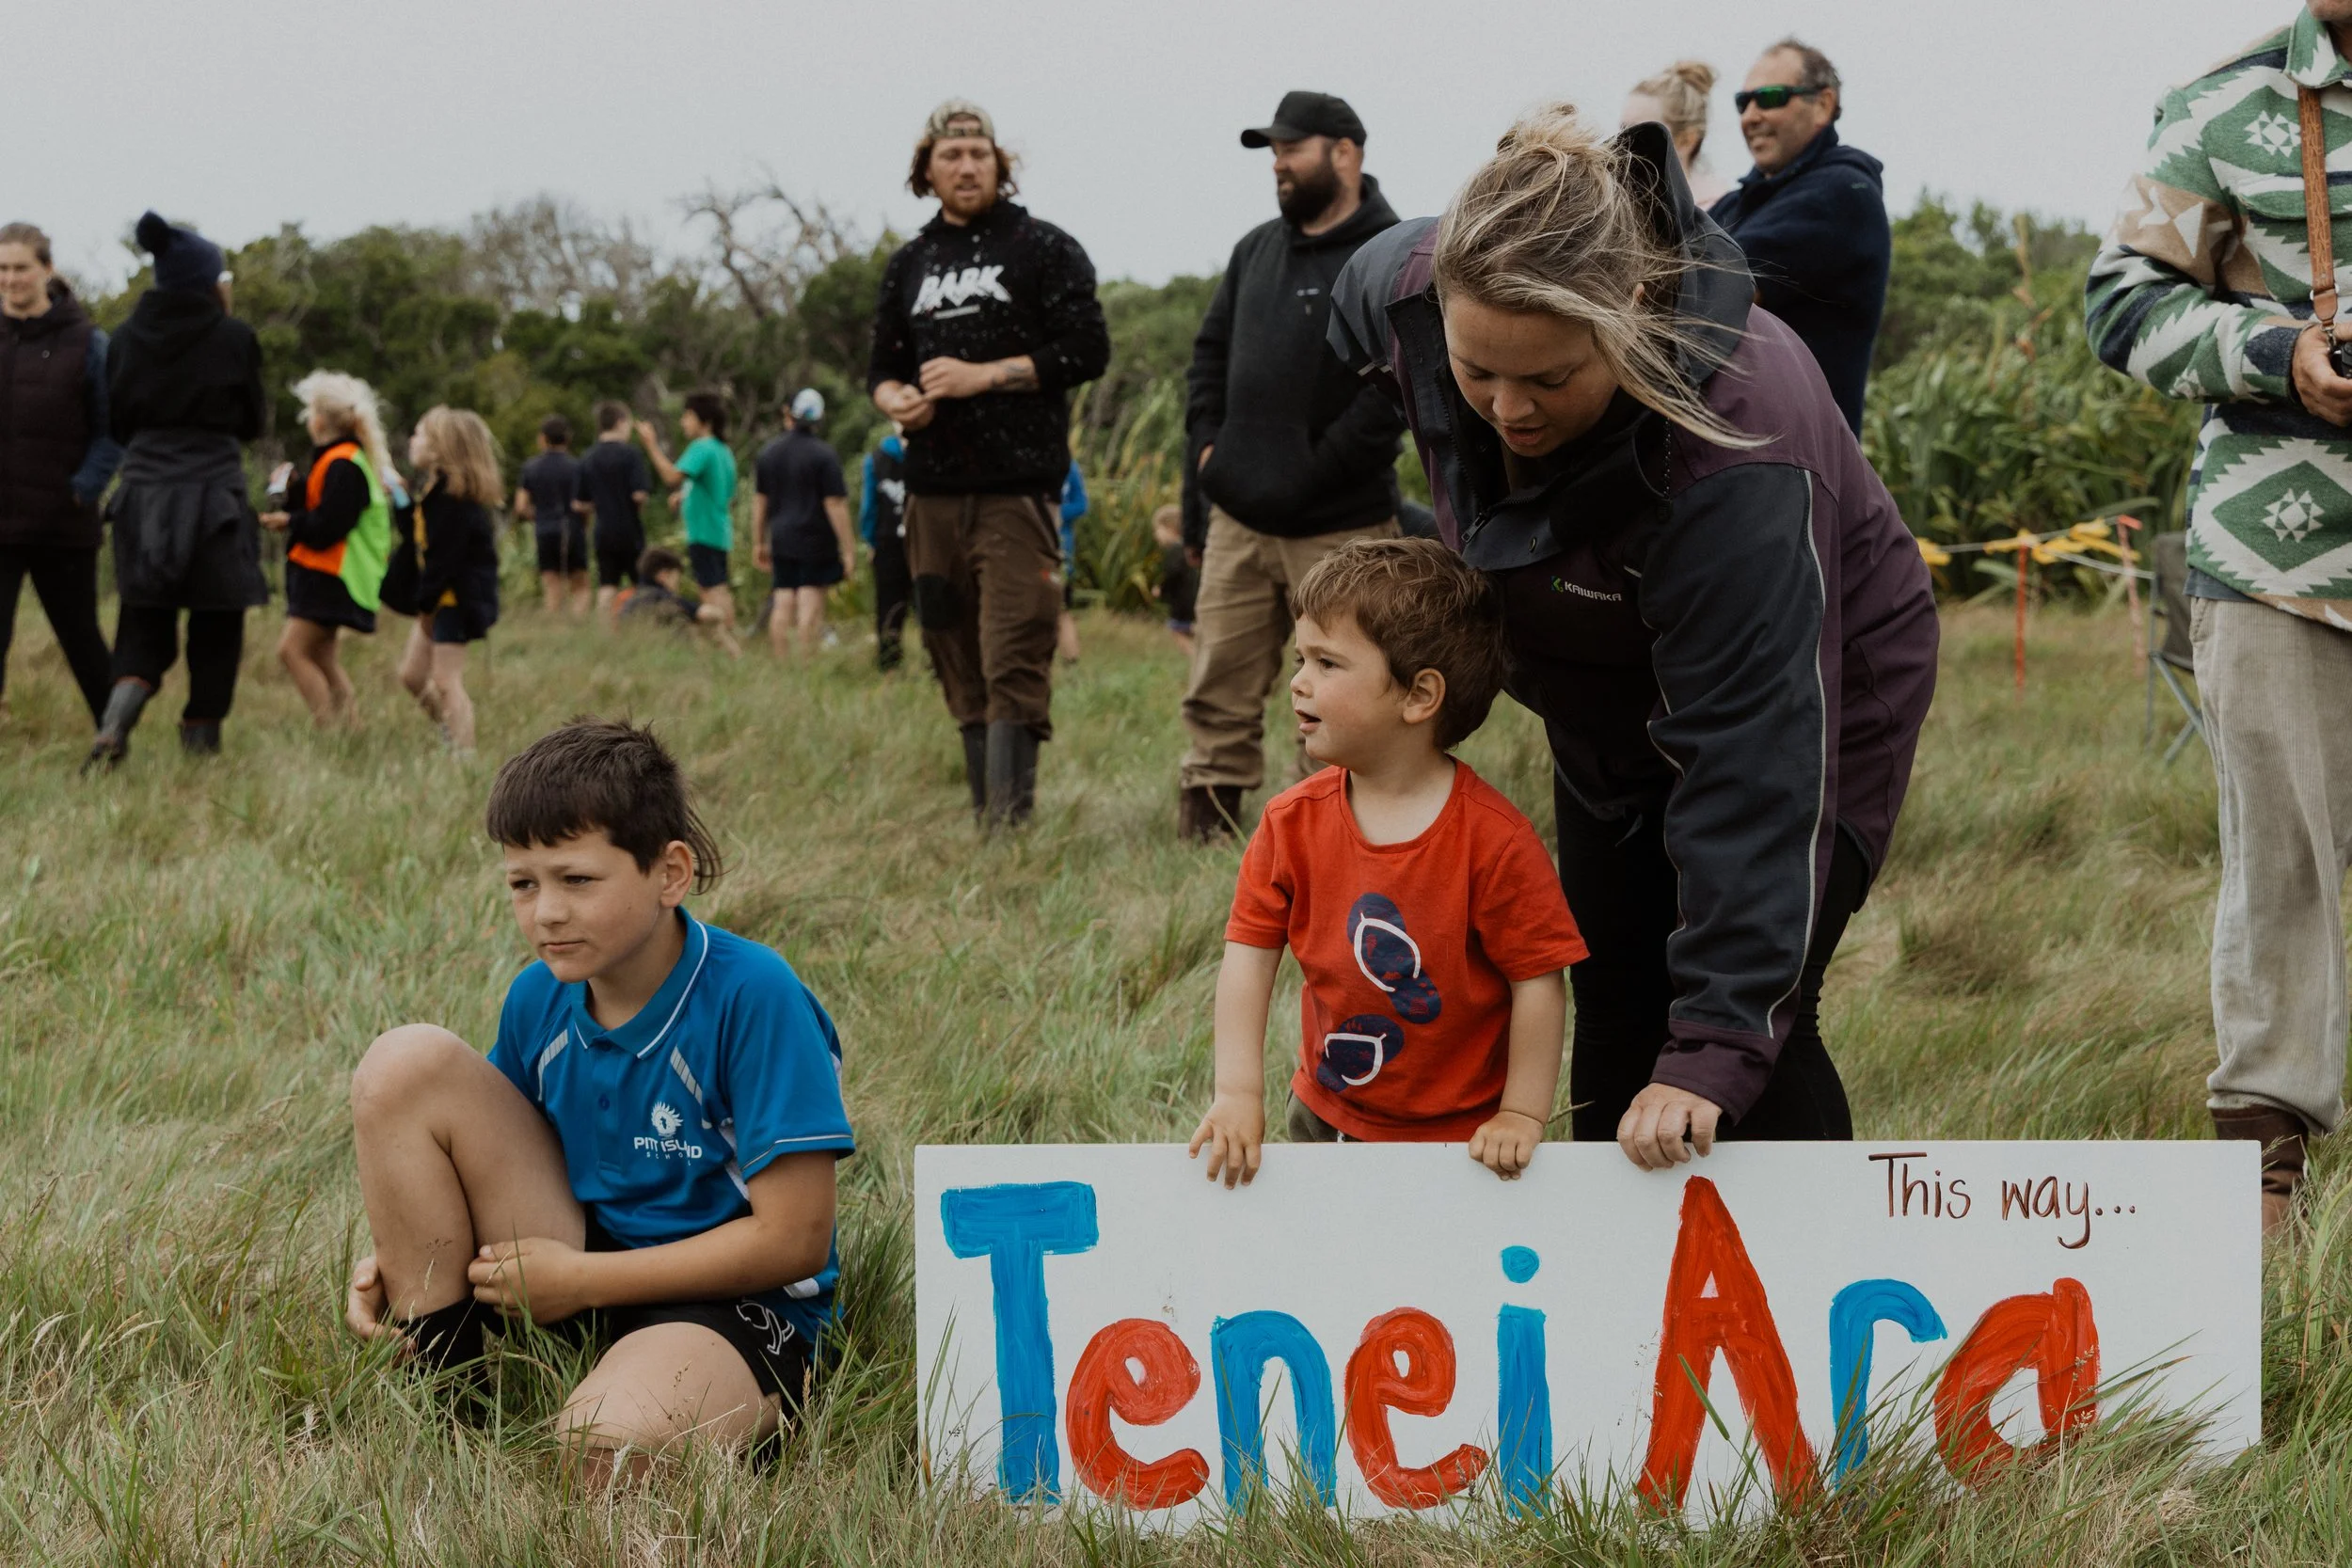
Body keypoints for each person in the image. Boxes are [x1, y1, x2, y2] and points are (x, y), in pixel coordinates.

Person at [1328, 108, 1938, 1170]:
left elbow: (1752, 763)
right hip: (1601, 690)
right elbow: (1347, 303)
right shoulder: (1413, 282)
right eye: (1479, 372)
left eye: (1551, 379)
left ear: (1637, 309)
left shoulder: (1739, 452)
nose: (1508, 409)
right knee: (1613, 982)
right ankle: (1624, 1312)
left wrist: (1709, 1047)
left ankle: (1806, 1305)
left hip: (1810, 692)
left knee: (1740, 1036)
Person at [342, 719, 853, 1481]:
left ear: (670, 873)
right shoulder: (538, 998)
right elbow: (490, 1158)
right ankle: (441, 1408)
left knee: (603, 1459)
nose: (545, 911)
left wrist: (581, 1282)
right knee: (400, 1064)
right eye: (523, 883)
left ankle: (727, 1407)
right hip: (578, 1265)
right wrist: (402, 1248)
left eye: (576, 879)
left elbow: (795, 1240)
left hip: (735, 1303)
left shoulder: (755, 994)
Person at [2086, 1, 2352, 1233]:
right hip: (2278, 558)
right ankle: (2266, 1189)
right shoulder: (2216, 106)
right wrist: (2278, 349)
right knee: (2281, 867)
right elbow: (2119, 305)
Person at [1188, 539, 1585, 1185]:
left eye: (1327, 662)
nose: (1298, 681)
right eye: (1299, 658)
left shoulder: (1497, 842)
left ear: (1419, 694)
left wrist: (1521, 1111)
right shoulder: (1290, 823)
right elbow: (1248, 957)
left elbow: (1539, 982)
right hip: (1322, 1112)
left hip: (1461, 1136)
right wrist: (1238, 1090)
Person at [867, 99, 1110, 829]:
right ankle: (983, 818)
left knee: (1015, 649)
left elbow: (1087, 350)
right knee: (951, 650)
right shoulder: (909, 263)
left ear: (1000, 165)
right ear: (927, 172)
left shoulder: (1044, 247)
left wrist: (986, 374)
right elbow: (881, 366)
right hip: (930, 492)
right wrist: (896, 399)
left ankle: (1010, 825)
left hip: (1017, 489)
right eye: (950, 155)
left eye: (979, 154)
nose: (966, 165)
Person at [1178, 91, 1406, 843]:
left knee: (1341, 692)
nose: (1277, 163)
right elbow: (1207, 359)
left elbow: (1394, 389)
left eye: (1291, 148)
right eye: (1272, 150)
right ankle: (1206, 826)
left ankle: (1330, 839)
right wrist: (1210, 459)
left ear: (1346, 152)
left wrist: (1316, 471)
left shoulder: (1394, 254)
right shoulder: (1255, 250)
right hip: (1239, 516)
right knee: (1219, 679)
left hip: (1339, 524)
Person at [88, 211, 267, 768]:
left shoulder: (123, 340)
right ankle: (200, 748)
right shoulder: (234, 337)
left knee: (143, 621)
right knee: (216, 624)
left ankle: (114, 727)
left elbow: (115, 424)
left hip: (143, 496)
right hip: (214, 496)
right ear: (208, 281)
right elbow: (253, 422)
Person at [1706, 40, 1890, 435]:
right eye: (1743, 102)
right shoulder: (1735, 205)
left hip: (1799, 463)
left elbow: (1712, 286)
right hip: (1732, 453)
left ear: (1823, 104)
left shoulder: (1843, 193)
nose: (1751, 116)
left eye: (1770, 98)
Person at [0, 222, 119, 730]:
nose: (10, 279)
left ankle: (113, 735)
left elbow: (112, 430)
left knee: (80, 636)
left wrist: (81, 491)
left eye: (21, 267)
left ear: (47, 270)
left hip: (61, 523)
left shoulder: (89, 343)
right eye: (2, 269)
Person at [259, 372, 395, 728]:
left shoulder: (343, 464)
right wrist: (297, 491)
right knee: (321, 655)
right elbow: (327, 510)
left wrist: (289, 521)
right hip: (334, 576)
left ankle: (329, 730)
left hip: (333, 575)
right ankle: (352, 730)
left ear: (318, 420)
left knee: (291, 651)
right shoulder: (343, 459)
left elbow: (329, 526)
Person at [396, 406, 502, 756]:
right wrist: (401, 502)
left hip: (454, 602)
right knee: (412, 676)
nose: (413, 440)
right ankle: (450, 729)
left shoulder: (456, 503)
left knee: (445, 680)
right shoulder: (435, 494)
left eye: (420, 433)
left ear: (442, 447)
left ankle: (464, 755)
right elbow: (421, 543)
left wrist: (424, 605)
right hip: (436, 600)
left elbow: (445, 562)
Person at [751, 388, 853, 657]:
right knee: (810, 599)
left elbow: (760, 502)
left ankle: (782, 663)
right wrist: (849, 549)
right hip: (816, 540)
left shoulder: (769, 453)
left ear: (790, 414)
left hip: (781, 538)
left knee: (783, 599)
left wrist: (759, 541)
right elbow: (835, 504)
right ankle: (806, 664)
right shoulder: (825, 455)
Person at [637, 395, 738, 630]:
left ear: (705, 420)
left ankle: (725, 640)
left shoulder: (701, 447)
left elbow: (671, 477)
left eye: (688, 416)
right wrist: (686, 496)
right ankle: (730, 639)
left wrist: (651, 444)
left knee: (711, 590)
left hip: (704, 531)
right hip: (719, 530)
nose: (683, 422)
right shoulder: (722, 451)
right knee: (719, 586)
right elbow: (722, 492)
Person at [1622, 61, 1731, 208]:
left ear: (1686, 140)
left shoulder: (1717, 210)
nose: (1623, 143)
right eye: (1623, 129)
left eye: (1641, 133)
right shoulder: (1618, 202)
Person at [580, 401, 652, 625]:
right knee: (641, 582)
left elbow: (580, 503)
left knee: (606, 584)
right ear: (620, 422)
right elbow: (639, 495)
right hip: (629, 527)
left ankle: (605, 629)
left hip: (603, 529)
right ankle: (642, 625)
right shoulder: (631, 455)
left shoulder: (588, 457)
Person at [516, 414, 588, 618]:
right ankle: (577, 625)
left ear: (542, 438)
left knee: (552, 584)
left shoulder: (530, 467)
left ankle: (554, 627)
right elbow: (583, 504)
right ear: (568, 438)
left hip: (545, 529)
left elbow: (521, 507)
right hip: (572, 527)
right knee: (580, 585)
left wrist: (538, 516)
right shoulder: (577, 467)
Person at [621, 546, 743, 656]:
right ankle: (738, 660)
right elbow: (707, 613)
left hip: (634, 655)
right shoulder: (663, 597)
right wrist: (722, 618)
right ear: (664, 575)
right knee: (710, 622)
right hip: (667, 655)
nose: (677, 585)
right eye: (676, 578)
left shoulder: (630, 602)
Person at [861, 427, 910, 671]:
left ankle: (889, 664)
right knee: (931, 603)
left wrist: (870, 540)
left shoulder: (876, 457)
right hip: (921, 541)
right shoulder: (931, 453)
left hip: (887, 540)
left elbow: (869, 505)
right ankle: (938, 665)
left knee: (889, 606)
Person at [1152, 503, 1197, 658]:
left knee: (1178, 631)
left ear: (1169, 528)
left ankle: (1196, 660)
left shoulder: (1174, 551)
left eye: (1157, 530)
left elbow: (1172, 574)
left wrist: (1161, 590)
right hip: (1193, 600)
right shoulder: (1189, 549)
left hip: (1182, 603)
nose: (1156, 535)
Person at [1056, 459, 1087, 663]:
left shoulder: (1070, 467)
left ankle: (1071, 658)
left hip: (1062, 550)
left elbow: (1082, 505)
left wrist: (1056, 513)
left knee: (1062, 608)